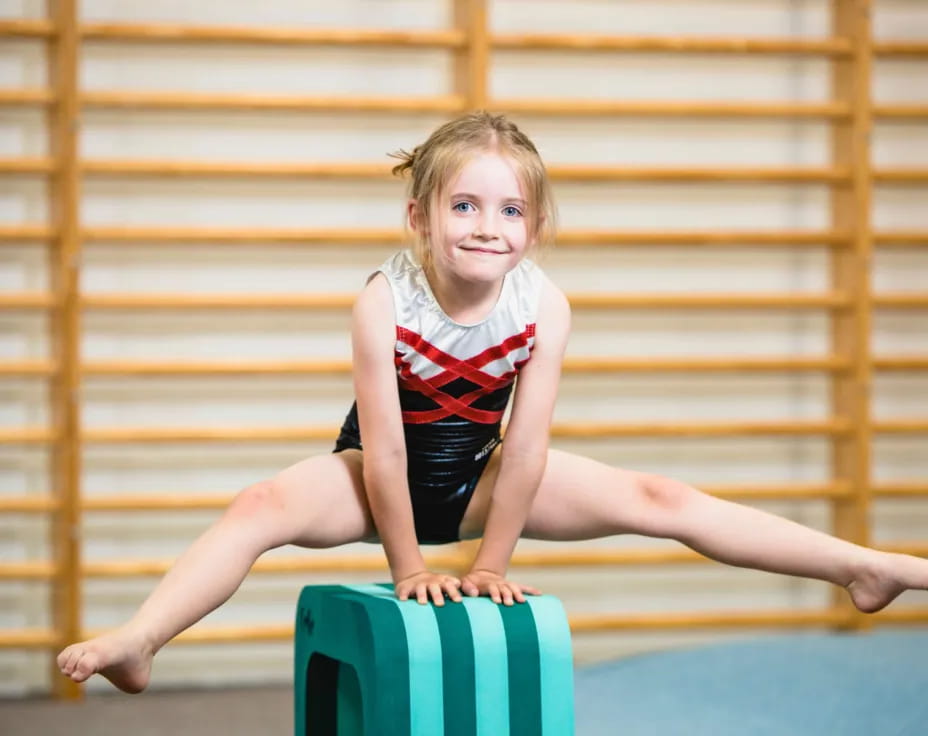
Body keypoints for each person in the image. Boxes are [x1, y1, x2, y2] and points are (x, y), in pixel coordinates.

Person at [58, 111, 928, 694]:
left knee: (661, 499)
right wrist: (409, 569)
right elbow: (387, 450)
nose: (485, 225)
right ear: (417, 216)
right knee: (258, 506)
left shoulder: (544, 307)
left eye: (509, 209)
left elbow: (528, 448)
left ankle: (860, 566)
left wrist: (490, 563)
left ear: (535, 229)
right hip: (369, 477)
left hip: (481, 475)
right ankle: (141, 640)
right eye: (463, 204)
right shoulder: (383, 302)